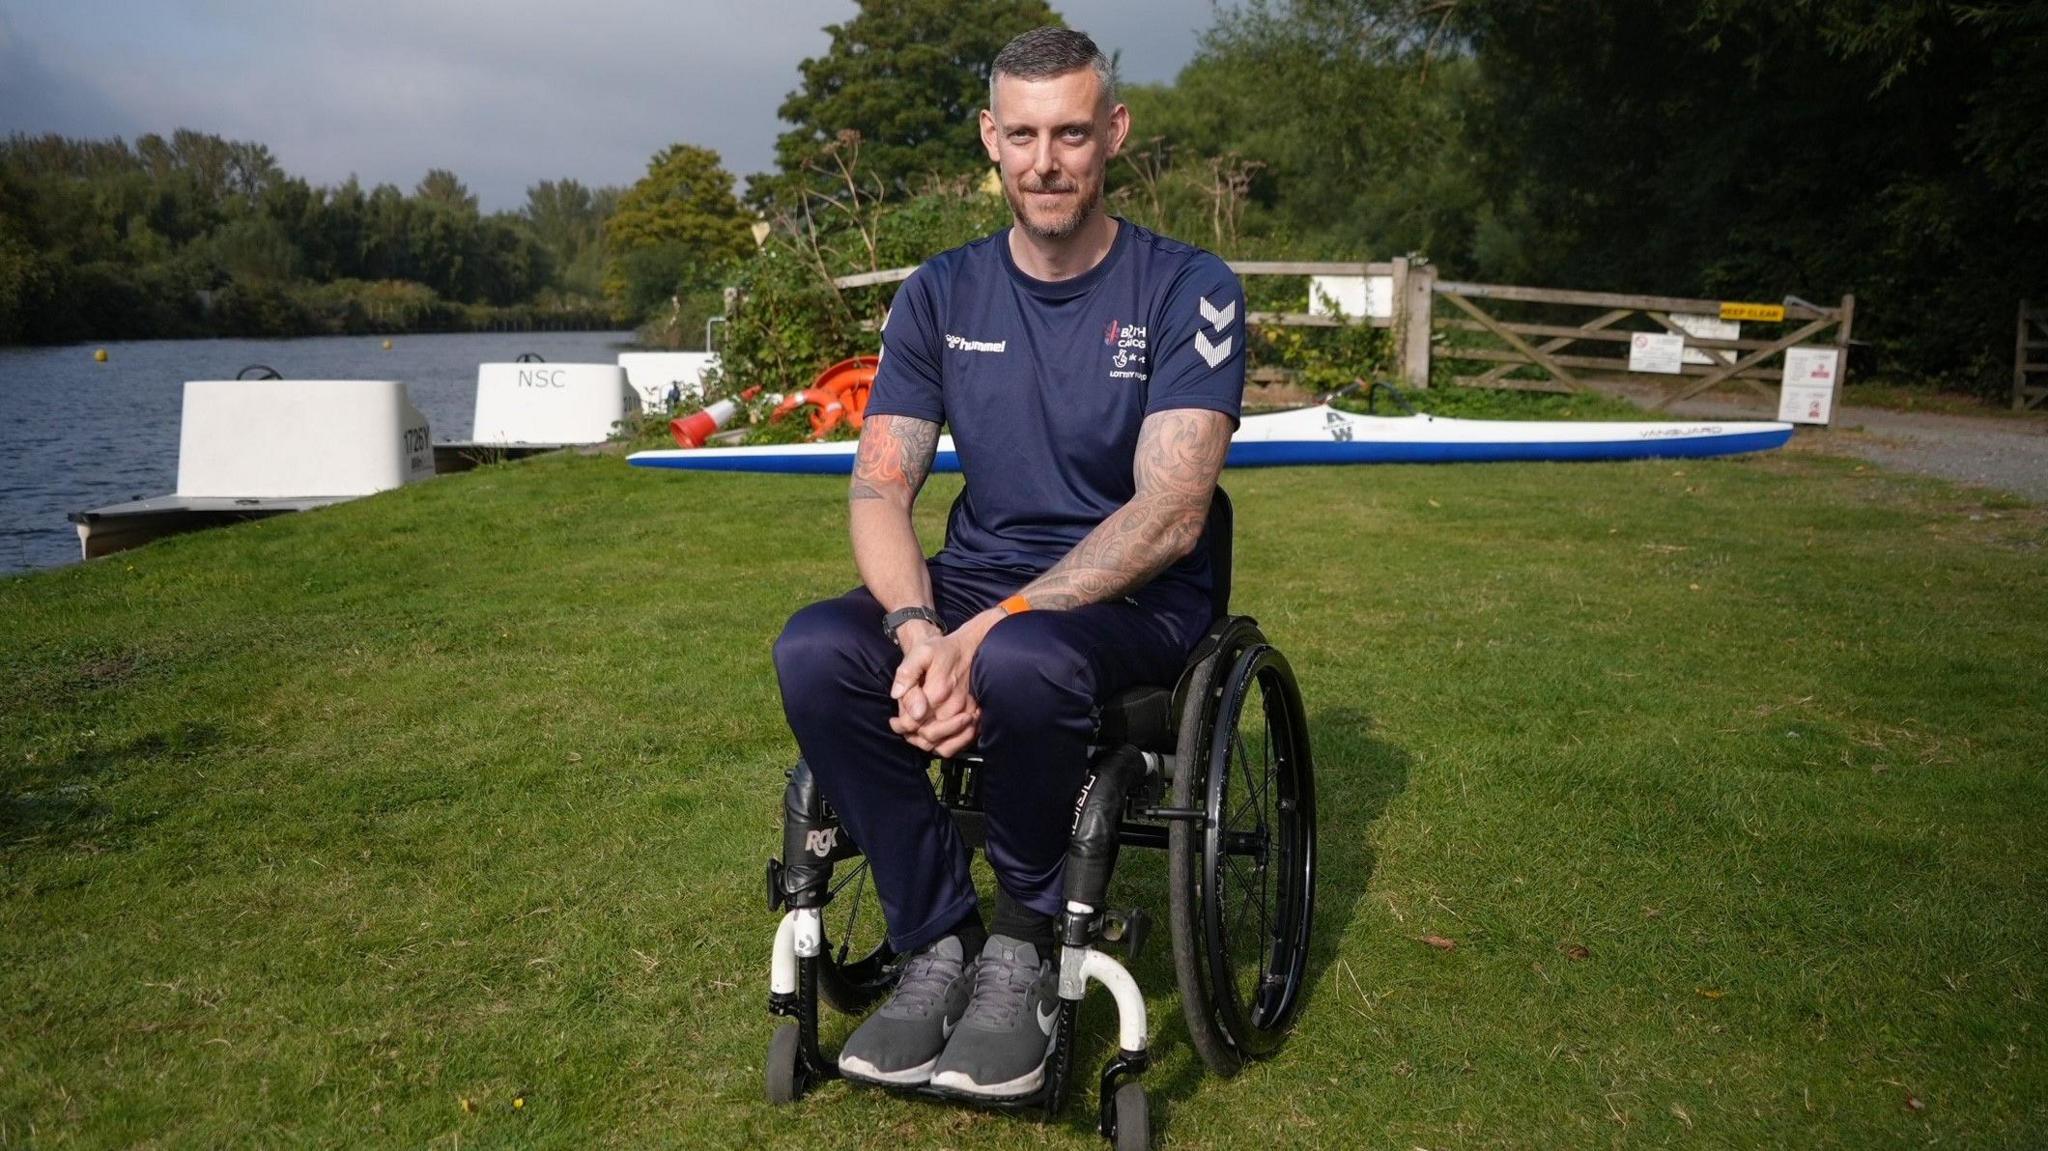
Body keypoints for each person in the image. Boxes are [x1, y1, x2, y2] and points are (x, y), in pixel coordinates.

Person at [772, 26, 1245, 1100]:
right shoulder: (940, 293)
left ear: (1111, 134)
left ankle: (1025, 944)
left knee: (1025, 660)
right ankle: (935, 935)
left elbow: (1171, 512)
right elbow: (878, 486)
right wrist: (916, 631)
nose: (1045, 160)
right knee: (813, 648)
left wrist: (976, 641)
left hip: (1139, 595)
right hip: (978, 585)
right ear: (990, 139)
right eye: (1022, 134)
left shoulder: (1188, 288)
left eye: (1071, 133)